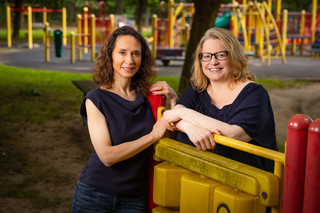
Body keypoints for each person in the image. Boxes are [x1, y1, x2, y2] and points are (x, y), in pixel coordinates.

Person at [71, 26, 177, 213]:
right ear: (110, 56)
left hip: (134, 197)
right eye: (122, 52)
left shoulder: (147, 99)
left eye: (136, 53)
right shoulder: (96, 99)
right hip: (95, 194)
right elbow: (107, 156)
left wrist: (173, 100)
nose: (129, 60)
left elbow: (167, 144)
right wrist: (152, 136)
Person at [162, 27, 278, 174]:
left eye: (221, 55)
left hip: (247, 184)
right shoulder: (198, 89)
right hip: (198, 180)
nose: (213, 62)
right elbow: (174, 114)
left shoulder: (255, 94)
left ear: (234, 56)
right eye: (207, 56)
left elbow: (235, 134)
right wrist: (188, 127)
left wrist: (185, 114)